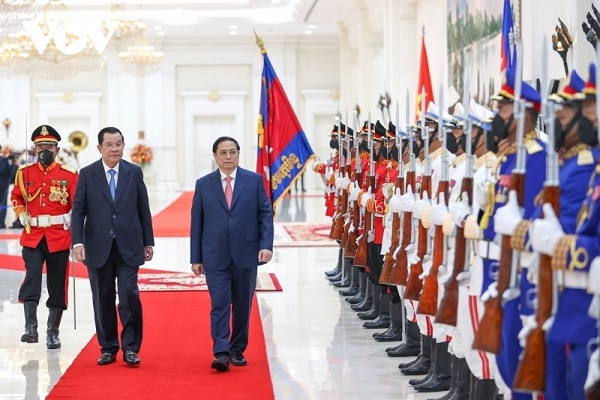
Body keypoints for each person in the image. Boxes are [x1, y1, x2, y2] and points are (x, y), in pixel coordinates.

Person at [71, 126, 154, 367]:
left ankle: (131, 347)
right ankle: (108, 347)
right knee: (103, 297)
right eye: (109, 144)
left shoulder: (133, 172)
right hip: (97, 246)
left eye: (119, 144)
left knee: (129, 295)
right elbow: (79, 211)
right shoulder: (88, 174)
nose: (115, 148)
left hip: (129, 245)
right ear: (99, 148)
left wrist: (148, 241)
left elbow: (143, 209)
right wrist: (78, 242)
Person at [190, 136, 274, 372]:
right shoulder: (204, 184)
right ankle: (221, 351)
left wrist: (266, 245)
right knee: (219, 303)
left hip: (246, 254)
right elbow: (197, 222)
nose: (228, 157)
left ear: (238, 154)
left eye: (233, 152)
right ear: (215, 156)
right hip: (214, 254)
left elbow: (265, 215)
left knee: (242, 304)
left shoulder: (254, 181)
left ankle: (237, 349)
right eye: (223, 153)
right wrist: (196, 257)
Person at [10, 125, 78, 349]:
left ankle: (53, 332)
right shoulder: (24, 172)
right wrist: (20, 213)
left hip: (58, 236)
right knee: (32, 278)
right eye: (40, 147)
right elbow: (17, 196)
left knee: (57, 284)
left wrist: (78, 236)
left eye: (48, 146)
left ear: (57, 150)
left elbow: (77, 207)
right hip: (33, 236)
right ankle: (31, 328)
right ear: (34, 149)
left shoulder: (68, 174)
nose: (44, 151)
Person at [0, 146, 12, 227]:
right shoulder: (4, 159)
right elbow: (3, 170)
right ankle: (1, 223)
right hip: (2, 186)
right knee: (2, 204)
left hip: (2, 185)